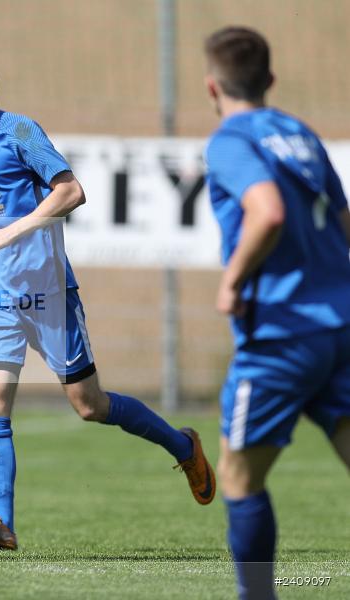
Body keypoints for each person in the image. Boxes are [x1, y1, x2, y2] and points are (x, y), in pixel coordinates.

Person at [0, 53, 216, 551]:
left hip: (49, 297)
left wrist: (13, 231)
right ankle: (2, 523)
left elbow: (71, 191)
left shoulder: (20, 132)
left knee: (90, 406)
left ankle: (183, 445)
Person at [203, 27, 350, 599]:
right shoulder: (299, 133)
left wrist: (233, 279)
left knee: (238, 478)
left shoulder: (230, 140)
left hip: (282, 335)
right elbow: (342, 219)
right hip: (340, 326)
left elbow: (265, 213)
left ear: (211, 87)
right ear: (269, 81)